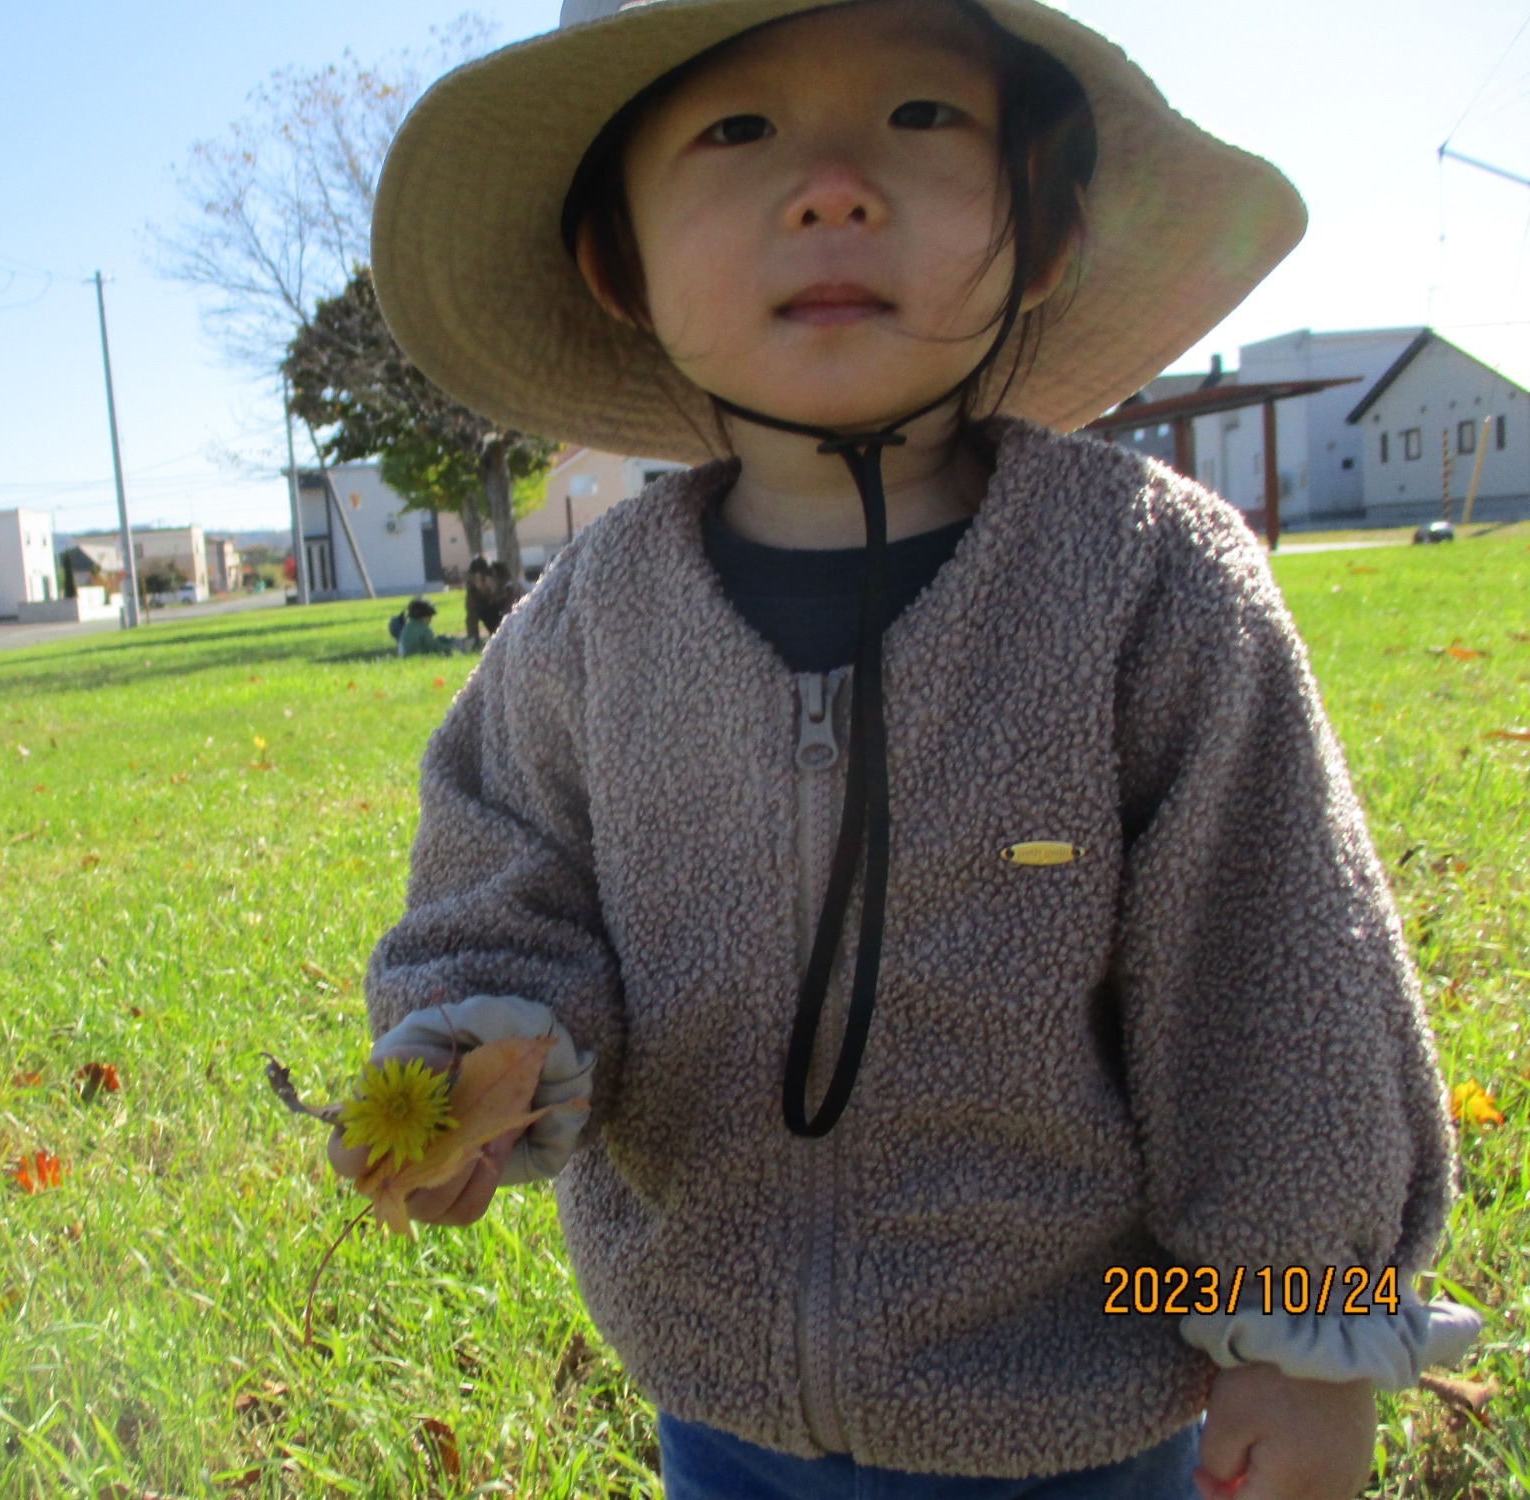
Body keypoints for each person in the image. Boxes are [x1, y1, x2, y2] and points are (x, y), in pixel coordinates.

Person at [331, 2, 1482, 1497]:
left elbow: (1276, 986)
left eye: (922, 120)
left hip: (1088, 1402)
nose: (831, 187)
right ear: (620, 261)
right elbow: (505, 883)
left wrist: (1307, 1341)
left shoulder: (1145, 582)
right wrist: (485, 1057)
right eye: (736, 130)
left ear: (1049, 228)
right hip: (719, 1400)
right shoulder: (588, 625)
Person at [393, 596, 457, 657]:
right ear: (425, 617)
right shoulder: (424, 630)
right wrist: (451, 648)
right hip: (420, 658)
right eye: (430, 616)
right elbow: (434, 647)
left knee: (441, 638)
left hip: (406, 658)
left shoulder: (407, 628)